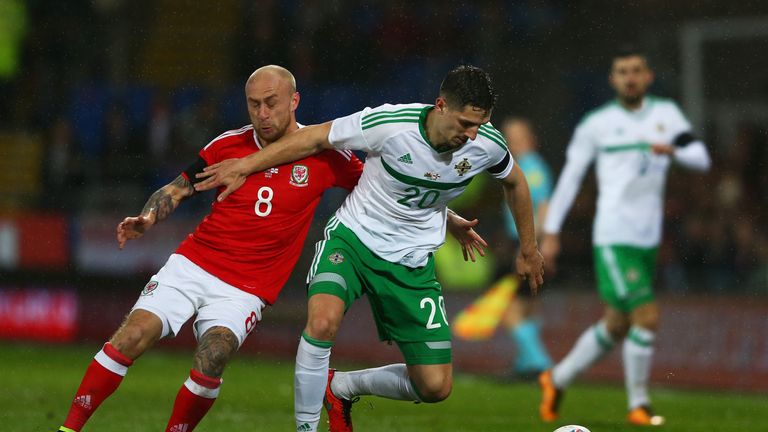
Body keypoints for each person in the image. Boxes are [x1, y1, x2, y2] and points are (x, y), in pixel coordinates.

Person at [194, 65, 545, 432]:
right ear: (440, 105)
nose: (471, 135)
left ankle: (342, 386)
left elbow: (516, 183)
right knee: (322, 322)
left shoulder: (486, 144)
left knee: (435, 386)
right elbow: (314, 138)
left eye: (479, 124)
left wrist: (528, 249)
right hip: (353, 240)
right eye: (464, 123)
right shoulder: (390, 124)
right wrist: (246, 165)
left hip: (411, 263)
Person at [537, 47, 711, 426]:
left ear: (647, 76)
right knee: (645, 316)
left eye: (636, 71)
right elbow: (570, 179)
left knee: (617, 323)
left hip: (648, 239)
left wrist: (675, 150)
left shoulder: (666, 114)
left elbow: (701, 157)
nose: (630, 77)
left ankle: (556, 378)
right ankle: (639, 404)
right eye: (622, 71)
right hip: (614, 235)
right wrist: (551, 232)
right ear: (613, 80)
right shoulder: (596, 124)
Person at [497, 117, 554, 378]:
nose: (511, 143)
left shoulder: (531, 168)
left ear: (531, 140)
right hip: (526, 242)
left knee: (509, 308)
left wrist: (535, 245)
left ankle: (540, 363)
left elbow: (543, 206)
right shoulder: (525, 166)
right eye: (508, 137)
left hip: (525, 244)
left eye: (517, 137)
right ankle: (524, 365)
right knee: (527, 307)